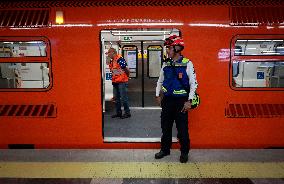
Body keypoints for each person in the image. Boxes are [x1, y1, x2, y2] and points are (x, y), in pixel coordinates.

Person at [155, 35, 198, 163]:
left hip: (181, 102)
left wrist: (189, 101)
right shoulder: (166, 64)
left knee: (182, 129)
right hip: (167, 101)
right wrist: (158, 95)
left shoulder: (187, 63)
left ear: (177, 48)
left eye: (169, 48)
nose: (167, 50)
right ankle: (165, 150)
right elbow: (160, 81)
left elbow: (193, 83)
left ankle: (184, 152)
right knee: (165, 127)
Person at [106, 47, 131, 119]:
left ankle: (127, 113)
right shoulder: (111, 60)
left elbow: (126, 69)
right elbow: (112, 70)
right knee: (116, 98)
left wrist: (127, 77)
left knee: (123, 98)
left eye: (109, 52)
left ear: (113, 52)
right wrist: (108, 59)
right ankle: (118, 113)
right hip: (115, 81)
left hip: (122, 81)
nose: (108, 54)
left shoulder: (120, 59)